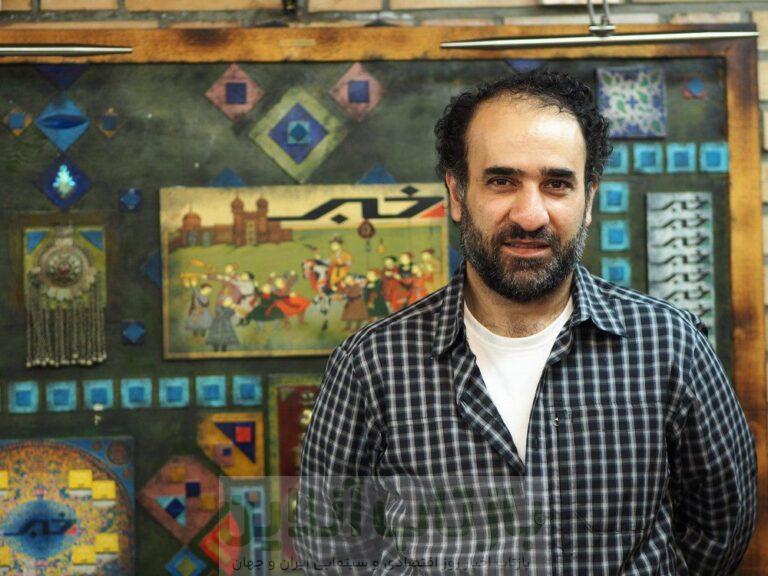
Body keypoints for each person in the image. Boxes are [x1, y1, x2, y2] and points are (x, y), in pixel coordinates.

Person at [295, 71, 757, 575]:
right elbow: (331, 550)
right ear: (457, 193)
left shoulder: (671, 346)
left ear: (588, 200)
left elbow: (719, 530)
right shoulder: (369, 365)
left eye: (557, 184)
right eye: (502, 181)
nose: (531, 215)